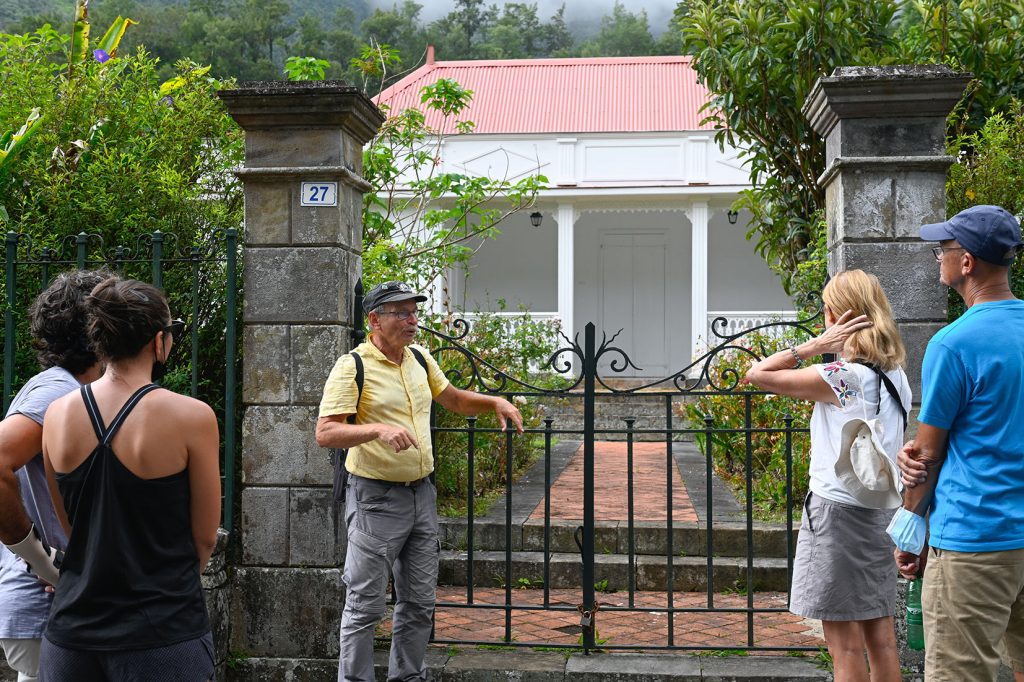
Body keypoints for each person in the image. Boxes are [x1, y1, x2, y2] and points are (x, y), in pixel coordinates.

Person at [315, 280, 524, 682]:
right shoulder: (353, 366)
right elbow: (325, 432)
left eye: (414, 312)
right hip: (375, 499)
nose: (412, 320)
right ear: (375, 320)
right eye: (401, 313)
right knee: (365, 605)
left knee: (418, 603)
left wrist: (493, 401)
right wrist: (376, 430)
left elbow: (456, 400)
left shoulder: (420, 359)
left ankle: (408, 677)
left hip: (420, 496)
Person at [36, 277, 220, 681]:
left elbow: (69, 525)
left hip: (71, 634)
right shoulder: (191, 417)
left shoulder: (57, 415)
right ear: (159, 342)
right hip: (162, 634)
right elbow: (205, 538)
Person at [746, 269, 911, 682]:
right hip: (880, 514)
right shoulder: (896, 377)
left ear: (836, 315)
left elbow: (758, 375)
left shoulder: (844, 378)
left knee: (845, 646)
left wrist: (813, 346)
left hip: (837, 515)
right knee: (881, 637)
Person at [892, 205, 1024, 682]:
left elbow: (926, 454)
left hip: (977, 538)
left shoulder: (955, 342)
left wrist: (911, 529)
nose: (937, 258)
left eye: (942, 249)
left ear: (966, 262)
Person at [0, 270, 109, 682]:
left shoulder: (62, 388)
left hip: (52, 605)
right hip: (49, 603)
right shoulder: (57, 393)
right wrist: (48, 567)